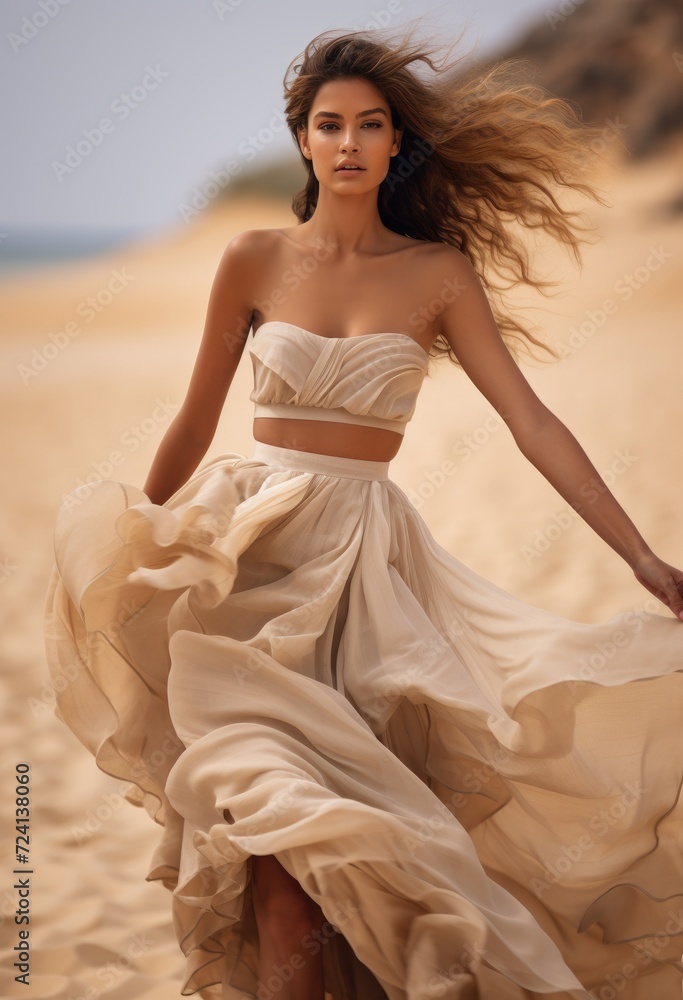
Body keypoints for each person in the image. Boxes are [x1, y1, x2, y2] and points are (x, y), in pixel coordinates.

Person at [44, 26, 683, 1000]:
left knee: (355, 850)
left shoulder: (437, 275)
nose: (347, 143)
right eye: (328, 124)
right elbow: (192, 419)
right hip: (248, 569)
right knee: (268, 833)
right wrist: (136, 533)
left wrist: (638, 556)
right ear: (302, 141)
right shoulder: (252, 258)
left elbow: (532, 423)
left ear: (394, 146)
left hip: (370, 584)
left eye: (369, 125)